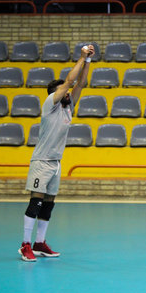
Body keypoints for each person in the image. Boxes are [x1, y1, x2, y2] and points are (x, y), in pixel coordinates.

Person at [18, 44, 95, 262]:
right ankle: (25, 245)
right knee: (36, 202)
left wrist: (88, 61)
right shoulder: (49, 104)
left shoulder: (67, 107)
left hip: (56, 163)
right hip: (41, 161)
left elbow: (81, 83)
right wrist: (80, 57)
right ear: (56, 94)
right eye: (64, 91)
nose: (69, 93)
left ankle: (40, 243)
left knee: (49, 203)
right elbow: (70, 81)